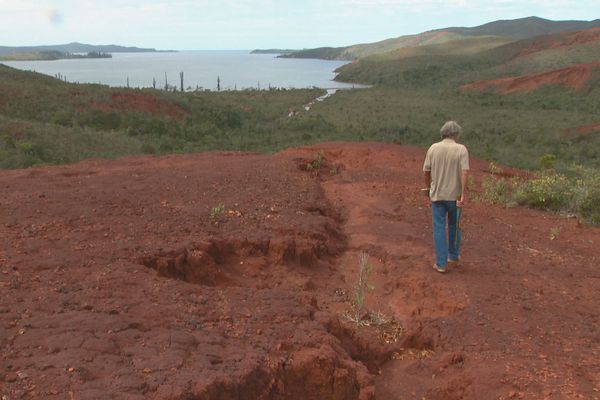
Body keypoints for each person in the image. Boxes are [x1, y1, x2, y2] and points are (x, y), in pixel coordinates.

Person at [422, 121, 469, 273]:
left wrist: (428, 188)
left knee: (439, 228)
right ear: (456, 134)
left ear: (443, 133)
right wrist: (463, 194)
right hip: (455, 196)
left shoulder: (433, 148)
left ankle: (441, 263)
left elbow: (426, 171)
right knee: (455, 225)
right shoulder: (461, 149)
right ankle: (453, 255)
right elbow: (465, 172)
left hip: (437, 195)